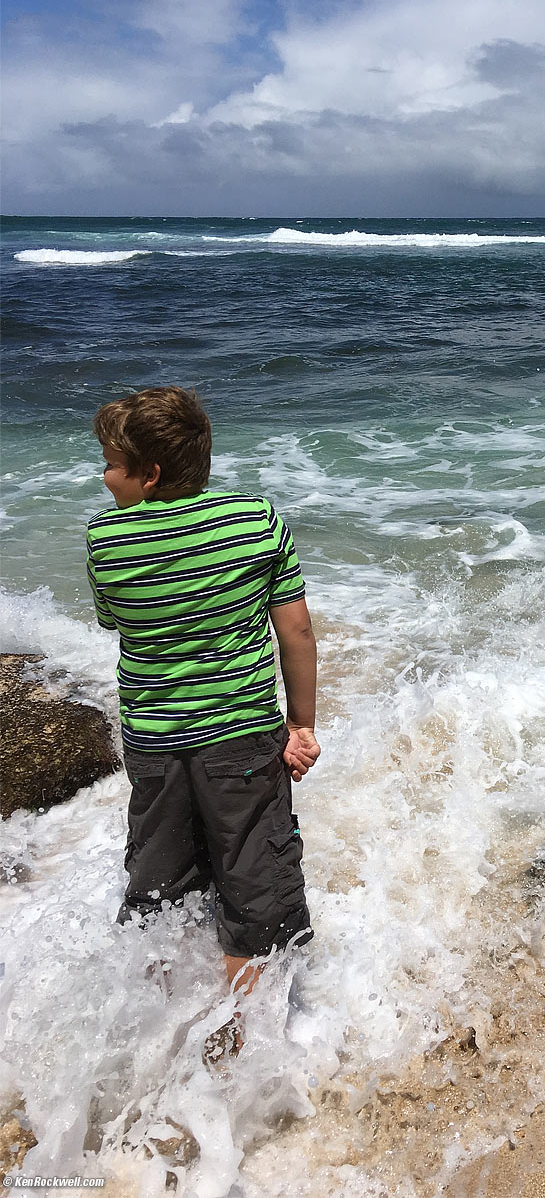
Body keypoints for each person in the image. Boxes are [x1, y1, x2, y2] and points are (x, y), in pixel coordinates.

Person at [86, 386, 320, 1054]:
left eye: (110, 463)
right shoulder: (256, 522)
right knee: (254, 885)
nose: (104, 477)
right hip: (242, 744)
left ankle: (163, 1039)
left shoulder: (105, 539)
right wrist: (301, 724)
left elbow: (118, 621)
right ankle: (242, 1043)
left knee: (161, 890)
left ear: (148, 473)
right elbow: (296, 631)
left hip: (156, 750)